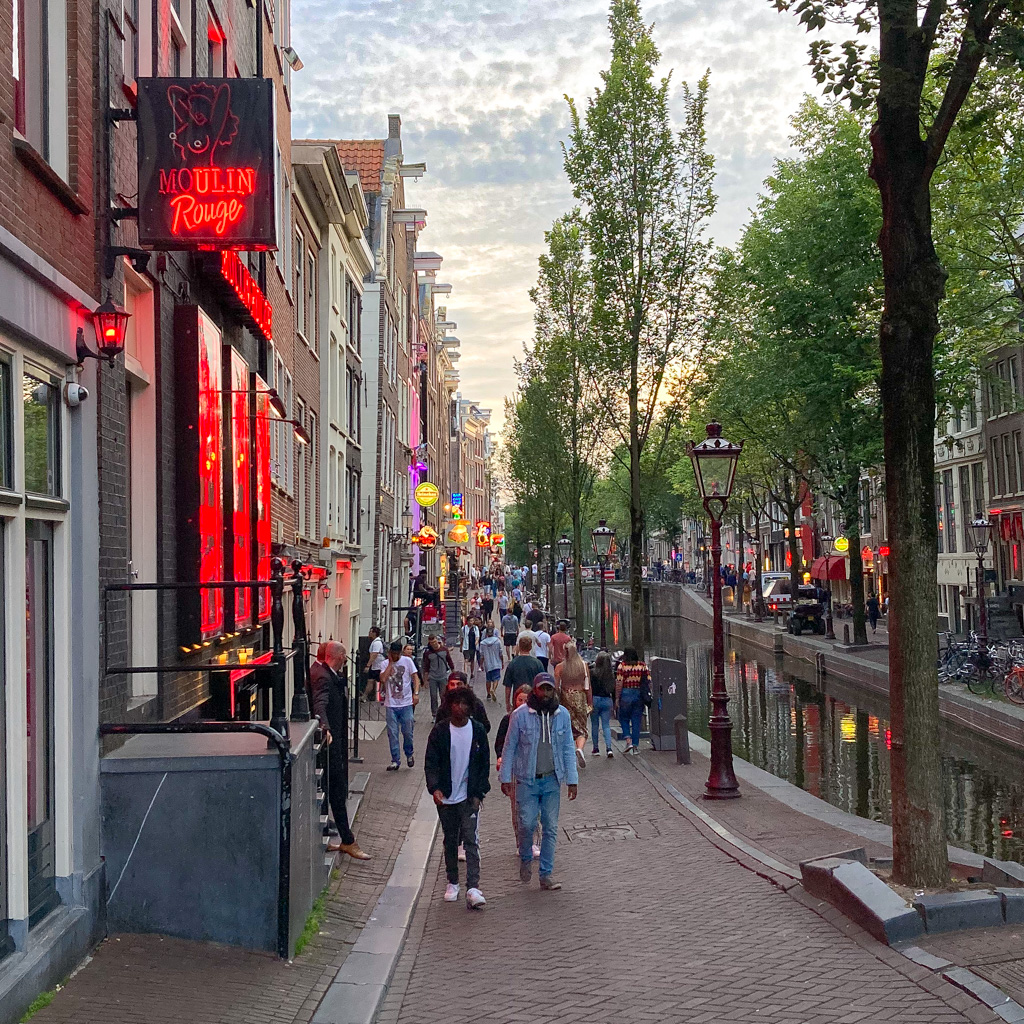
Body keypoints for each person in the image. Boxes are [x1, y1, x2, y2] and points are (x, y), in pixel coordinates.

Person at [499, 674, 578, 889]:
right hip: (527, 780)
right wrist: (505, 777)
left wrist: (572, 779)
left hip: (552, 779)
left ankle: (545, 874)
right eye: (542, 689)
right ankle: (525, 857)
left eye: (549, 689)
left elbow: (568, 748)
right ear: (535, 689)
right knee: (527, 823)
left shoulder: (562, 715)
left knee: (551, 827)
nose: (545, 693)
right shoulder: (519, 716)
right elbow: (509, 747)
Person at [424, 686, 490, 909]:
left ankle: (473, 886)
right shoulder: (440, 732)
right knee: (450, 840)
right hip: (446, 797)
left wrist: (479, 793)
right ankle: (453, 881)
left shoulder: (478, 731)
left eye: (464, 704)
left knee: (471, 839)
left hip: (469, 796)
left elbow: (483, 765)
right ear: (449, 706)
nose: (460, 708)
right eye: (456, 703)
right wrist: (435, 788)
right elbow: (431, 762)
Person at [311, 641, 371, 861]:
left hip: (333, 742)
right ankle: (348, 841)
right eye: (344, 656)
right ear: (337, 656)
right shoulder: (322, 677)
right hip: (331, 744)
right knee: (336, 788)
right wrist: (325, 727)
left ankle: (329, 832)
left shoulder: (324, 672)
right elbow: (320, 702)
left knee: (329, 787)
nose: (347, 660)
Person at [495, 683, 539, 858]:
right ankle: (520, 842)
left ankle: (535, 841)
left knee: (535, 808)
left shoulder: (537, 718)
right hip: (515, 769)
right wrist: (501, 757)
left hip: (533, 767)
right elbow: (500, 743)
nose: (522, 703)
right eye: (519, 699)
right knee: (517, 808)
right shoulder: (509, 719)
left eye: (525, 700)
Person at [380, 640, 420, 771]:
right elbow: (383, 679)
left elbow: (415, 677)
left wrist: (416, 693)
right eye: (393, 654)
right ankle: (395, 759)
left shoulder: (407, 661)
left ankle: (409, 754)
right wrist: (390, 664)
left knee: (408, 731)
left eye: (398, 654)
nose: (396, 656)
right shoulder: (384, 664)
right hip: (391, 704)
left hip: (406, 702)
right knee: (392, 733)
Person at [554, 642, 591, 769]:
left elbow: (556, 687)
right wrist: (590, 702)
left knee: (567, 726)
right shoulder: (583, 665)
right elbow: (587, 686)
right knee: (582, 727)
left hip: (566, 697)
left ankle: (566, 754)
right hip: (580, 696)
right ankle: (580, 748)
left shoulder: (560, 667)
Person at [615, 646, 650, 755]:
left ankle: (628, 740)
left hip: (625, 694)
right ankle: (635, 746)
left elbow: (619, 683)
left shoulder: (622, 666)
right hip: (638, 694)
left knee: (623, 717)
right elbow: (648, 680)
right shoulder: (642, 665)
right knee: (636, 720)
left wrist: (617, 697)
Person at [503, 635, 543, 712]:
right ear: (530, 647)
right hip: (534, 699)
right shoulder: (537, 663)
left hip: (518, 699)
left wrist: (507, 703)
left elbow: (508, 686)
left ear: (519, 647)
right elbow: (541, 684)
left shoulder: (513, 663)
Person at [589, 651, 616, 758]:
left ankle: (596, 748)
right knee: (606, 725)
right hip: (606, 700)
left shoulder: (592, 672)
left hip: (595, 699)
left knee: (594, 725)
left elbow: (589, 687)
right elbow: (613, 690)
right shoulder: (611, 674)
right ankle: (609, 748)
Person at [422, 634, 455, 717]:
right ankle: (434, 714)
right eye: (431, 643)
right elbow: (426, 667)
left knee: (443, 696)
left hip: (443, 676)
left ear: (437, 640)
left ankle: (444, 712)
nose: (433, 644)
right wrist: (425, 680)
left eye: (434, 642)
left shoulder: (444, 650)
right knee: (433, 696)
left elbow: (449, 660)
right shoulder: (428, 653)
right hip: (432, 677)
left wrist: (453, 672)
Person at [479, 625, 505, 702]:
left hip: (488, 663)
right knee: (496, 678)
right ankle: (493, 689)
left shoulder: (483, 643)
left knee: (488, 679)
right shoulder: (497, 641)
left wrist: (481, 664)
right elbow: (500, 653)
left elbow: (482, 655)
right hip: (496, 662)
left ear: (486, 634)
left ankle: (488, 694)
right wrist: (502, 662)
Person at [365, 626, 386, 701]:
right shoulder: (375, 642)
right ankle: (366, 696)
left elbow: (374, 654)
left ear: (374, 633)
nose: (369, 633)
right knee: (372, 680)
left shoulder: (377, 643)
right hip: (376, 666)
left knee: (375, 681)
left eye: (370, 632)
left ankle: (381, 696)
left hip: (378, 666)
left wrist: (368, 665)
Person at [461, 617, 480, 681]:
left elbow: (477, 636)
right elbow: (462, 637)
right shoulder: (463, 628)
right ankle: (465, 673)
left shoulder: (475, 628)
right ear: (467, 621)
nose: (471, 622)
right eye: (470, 621)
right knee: (466, 659)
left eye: (472, 621)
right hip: (466, 646)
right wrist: (461, 646)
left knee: (472, 660)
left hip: (472, 646)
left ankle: (472, 672)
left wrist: (476, 641)